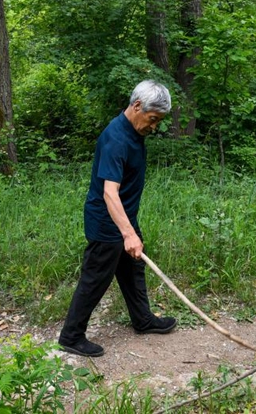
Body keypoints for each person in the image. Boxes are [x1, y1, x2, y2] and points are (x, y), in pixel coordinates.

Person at [58, 80, 177, 357]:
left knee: (131, 269)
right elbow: (109, 193)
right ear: (137, 106)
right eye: (153, 119)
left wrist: (130, 229)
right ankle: (71, 336)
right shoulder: (116, 139)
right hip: (106, 223)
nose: (154, 126)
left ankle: (143, 319)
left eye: (158, 121)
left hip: (124, 218)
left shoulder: (134, 134)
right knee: (96, 277)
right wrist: (128, 234)